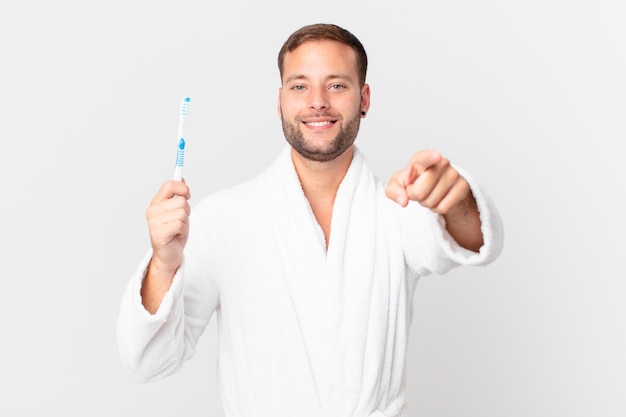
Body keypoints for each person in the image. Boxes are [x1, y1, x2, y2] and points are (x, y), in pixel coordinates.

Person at [117, 23, 504, 417]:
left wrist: (454, 200)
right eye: (300, 86)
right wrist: (164, 262)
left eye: (336, 85)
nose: (317, 101)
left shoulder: (397, 209)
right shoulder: (223, 219)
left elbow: (466, 240)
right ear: (280, 100)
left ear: (364, 98)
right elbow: (147, 360)